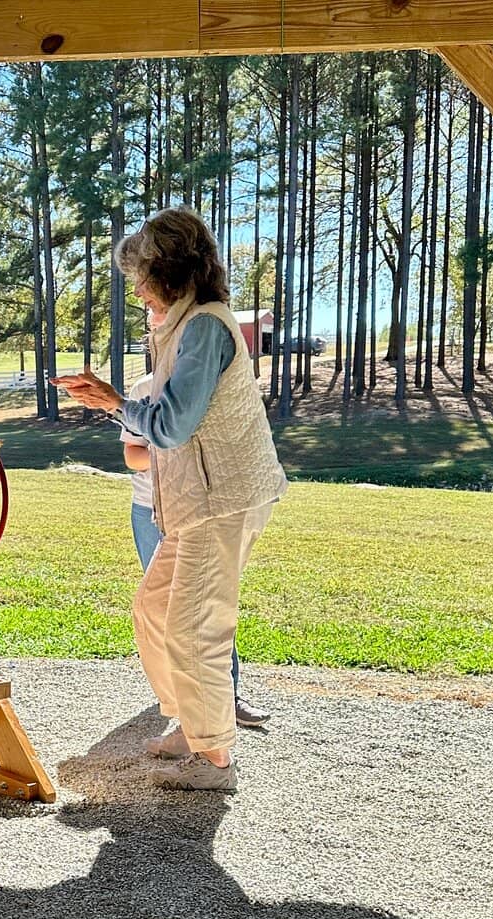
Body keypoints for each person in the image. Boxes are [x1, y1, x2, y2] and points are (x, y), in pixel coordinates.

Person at [53, 207, 287, 791]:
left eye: (142, 275)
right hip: (194, 503)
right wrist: (112, 404)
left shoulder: (205, 325)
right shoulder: (179, 327)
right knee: (154, 611)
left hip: (222, 500)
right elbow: (163, 430)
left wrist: (112, 402)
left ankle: (215, 759)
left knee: (195, 627)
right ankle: (191, 722)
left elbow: (173, 427)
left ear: (174, 270)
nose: (136, 288)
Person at [121, 368, 273, 730]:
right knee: (160, 609)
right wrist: (179, 456)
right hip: (152, 510)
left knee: (208, 603)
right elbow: (132, 456)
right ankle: (181, 703)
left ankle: (228, 695)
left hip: (205, 511)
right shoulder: (145, 387)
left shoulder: (218, 386)